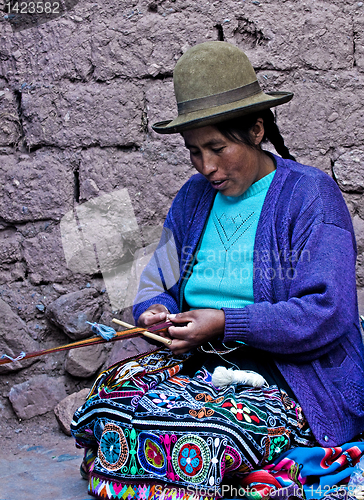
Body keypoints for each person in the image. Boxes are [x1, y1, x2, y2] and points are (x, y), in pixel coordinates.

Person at [71, 42, 364, 500]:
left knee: (187, 439)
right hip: (203, 366)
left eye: (217, 148)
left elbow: (329, 312)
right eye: (193, 151)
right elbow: (158, 281)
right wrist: (155, 312)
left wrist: (227, 323)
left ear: (255, 129)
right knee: (108, 405)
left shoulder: (310, 196)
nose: (206, 167)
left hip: (287, 372)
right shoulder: (193, 198)